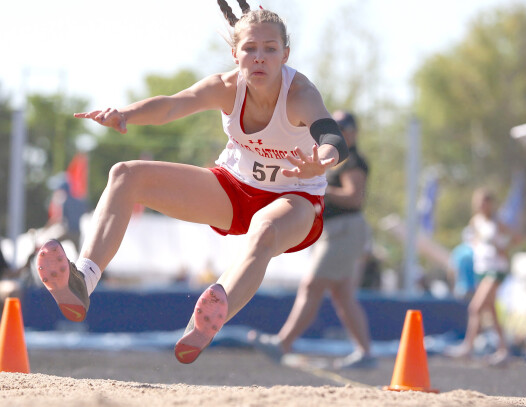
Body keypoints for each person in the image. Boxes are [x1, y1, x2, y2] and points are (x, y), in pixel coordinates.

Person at [35, 1, 348, 365]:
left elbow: (332, 137)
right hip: (234, 189)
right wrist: (124, 114)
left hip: (296, 199)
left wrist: (320, 163)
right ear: (235, 54)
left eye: (269, 49)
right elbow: (171, 105)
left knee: (263, 230)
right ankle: (82, 281)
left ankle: (211, 314)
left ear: (285, 54)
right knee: (124, 175)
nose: (259, 58)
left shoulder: (299, 95)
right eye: (249, 49)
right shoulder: (226, 87)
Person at [251, 111, 376, 369]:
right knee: (342, 295)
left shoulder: (352, 162)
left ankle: (283, 343)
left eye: (341, 127)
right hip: (338, 230)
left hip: (345, 229)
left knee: (311, 286)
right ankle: (366, 353)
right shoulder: (338, 161)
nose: (337, 132)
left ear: (352, 133)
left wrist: (322, 189)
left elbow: (354, 197)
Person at [446, 188, 520, 366]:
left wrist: (503, 247)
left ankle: (467, 346)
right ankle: (503, 349)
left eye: (486, 201)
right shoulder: (476, 222)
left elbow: (517, 237)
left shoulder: (497, 222)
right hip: (482, 269)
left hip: (496, 270)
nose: (482, 205)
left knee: (475, 307)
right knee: (491, 311)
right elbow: (474, 241)